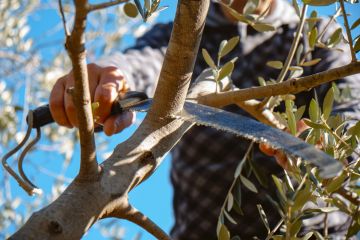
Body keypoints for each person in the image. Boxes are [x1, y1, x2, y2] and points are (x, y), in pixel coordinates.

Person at [49, 0, 359, 238]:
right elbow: (143, 62)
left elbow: (351, 109)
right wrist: (107, 78)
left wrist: (334, 143)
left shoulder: (319, 38)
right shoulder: (183, 34)